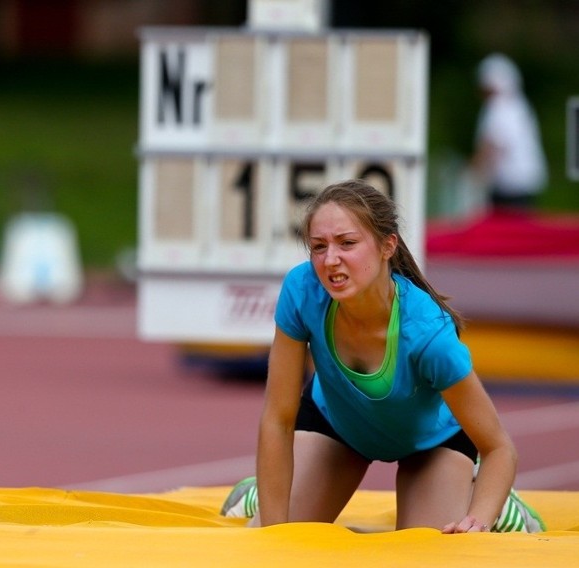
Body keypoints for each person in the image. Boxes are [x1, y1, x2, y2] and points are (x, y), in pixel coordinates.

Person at [221, 179, 545, 533]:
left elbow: (499, 448)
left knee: (421, 551)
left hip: (431, 445)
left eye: (347, 243)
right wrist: (273, 529)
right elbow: (278, 419)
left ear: (387, 246)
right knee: (273, 530)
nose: (331, 260)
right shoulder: (302, 290)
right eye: (318, 246)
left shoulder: (427, 334)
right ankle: (257, 493)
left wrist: (478, 519)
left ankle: (496, 503)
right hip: (337, 427)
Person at [471, 53, 547, 214]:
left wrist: (472, 176)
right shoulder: (520, 106)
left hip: (507, 189)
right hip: (525, 186)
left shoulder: (498, 107)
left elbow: (492, 146)